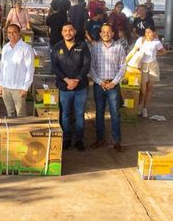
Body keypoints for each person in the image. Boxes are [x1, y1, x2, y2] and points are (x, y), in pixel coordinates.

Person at [52, 23, 91, 151]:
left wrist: (77, 79)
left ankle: (79, 140)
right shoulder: (57, 47)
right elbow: (54, 67)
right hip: (64, 87)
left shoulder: (82, 46)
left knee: (79, 114)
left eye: (70, 30)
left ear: (74, 31)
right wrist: (67, 80)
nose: (68, 33)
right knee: (65, 114)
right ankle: (66, 138)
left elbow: (86, 65)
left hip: (81, 87)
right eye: (65, 30)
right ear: (62, 33)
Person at [89, 24, 126, 151]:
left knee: (115, 113)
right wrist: (100, 82)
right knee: (99, 112)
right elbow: (91, 67)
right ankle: (100, 139)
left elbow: (122, 67)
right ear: (100, 34)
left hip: (113, 86)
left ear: (113, 34)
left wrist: (113, 82)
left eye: (109, 31)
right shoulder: (95, 48)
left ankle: (117, 141)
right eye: (103, 32)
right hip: (99, 85)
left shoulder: (119, 47)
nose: (106, 34)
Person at [127, 27, 166, 118]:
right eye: (146, 32)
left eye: (149, 32)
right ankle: (139, 106)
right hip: (142, 66)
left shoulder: (156, 42)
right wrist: (126, 61)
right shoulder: (140, 40)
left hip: (153, 66)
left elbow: (164, 51)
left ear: (154, 33)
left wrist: (156, 54)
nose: (147, 34)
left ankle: (145, 109)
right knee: (143, 90)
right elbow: (133, 51)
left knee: (149, 89)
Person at [0, 24, 35, 118]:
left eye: (14, 32)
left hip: (19, 88)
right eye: (9, 32)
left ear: (19, 33)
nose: (11, 35)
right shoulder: (5, 47)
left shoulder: (26, 48)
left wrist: (25, 88)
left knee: (21, 115)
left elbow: (30, 69)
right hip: (6, 87)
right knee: (10, 113)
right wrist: (1, 84)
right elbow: (3, 67)